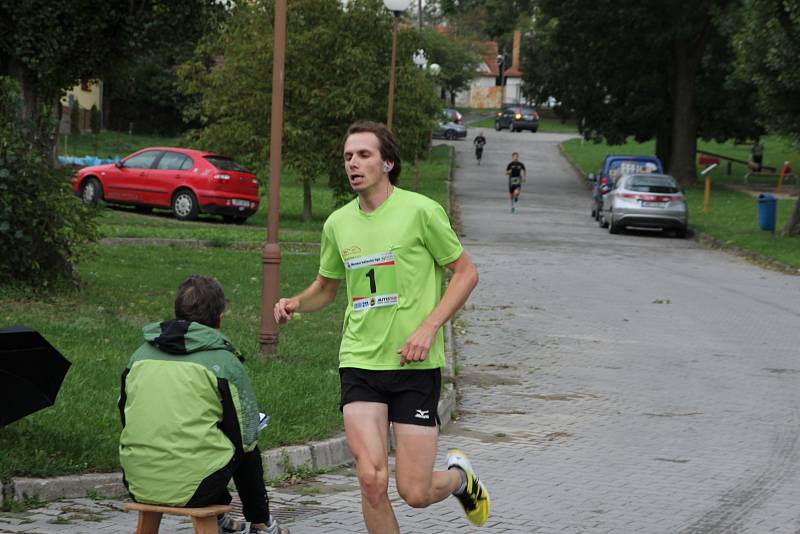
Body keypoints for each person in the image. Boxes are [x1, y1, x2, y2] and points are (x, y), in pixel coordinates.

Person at [274, 121, 488, 533]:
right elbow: (327, 287)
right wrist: (296, 303)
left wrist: (429, 328)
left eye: (364, 155)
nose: (353, 163)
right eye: (348, 157)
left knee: (414, 492)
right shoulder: (338, 223)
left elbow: (465, 273)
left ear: (387, 162)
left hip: (414, 368)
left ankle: (461, 479)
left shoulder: (421, 212)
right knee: (371, 480)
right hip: (359, 362)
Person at [119, 275, 288, 534]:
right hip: (197, 486)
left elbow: (124, 414)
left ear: (177, 312)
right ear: (219, 318)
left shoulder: (138, 356)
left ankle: (226, 520)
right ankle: (261, 523)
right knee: (247, 447)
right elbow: (244, 434)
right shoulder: (223, 362)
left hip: (137, 478)